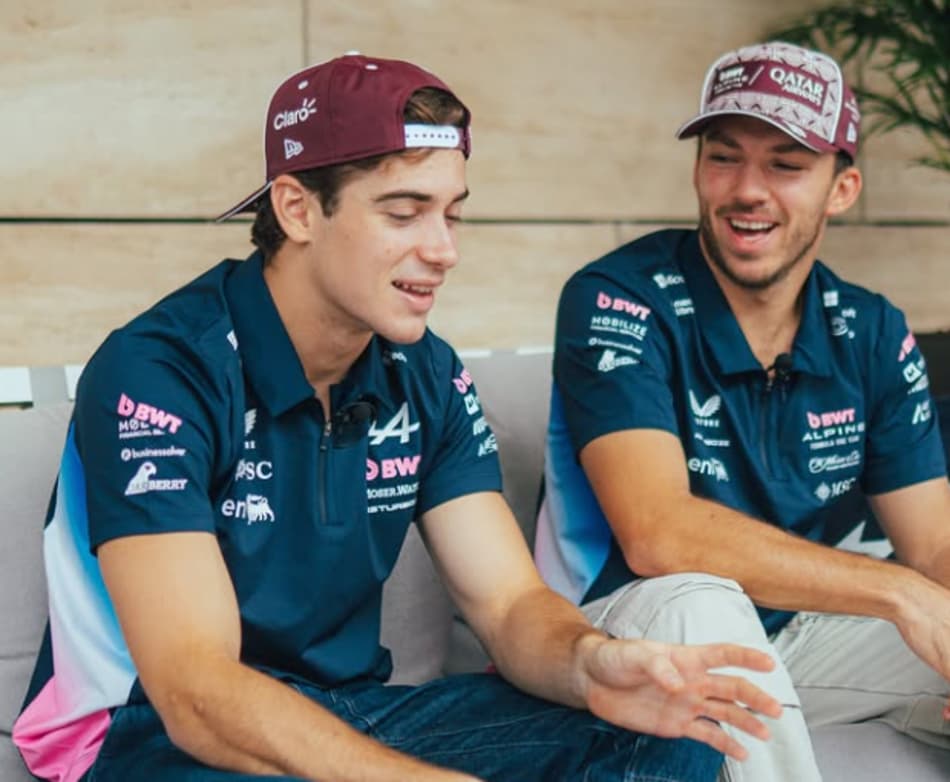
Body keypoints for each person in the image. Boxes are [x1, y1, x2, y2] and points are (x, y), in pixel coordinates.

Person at [12, 53, 781, 782]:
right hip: (145, 733)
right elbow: (195, 690)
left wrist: (589, 662)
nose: (443, 249)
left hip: (354, 710)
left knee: (667, 740)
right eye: (405, 213)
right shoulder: (161, 369)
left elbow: (509, 605)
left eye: (452, 213)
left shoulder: (426, 372)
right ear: (297, 208)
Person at [536, 39, 950, 781]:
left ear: (842, 188)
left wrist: (928, 601)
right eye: (723, 157)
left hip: (796, 640)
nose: (747, 190)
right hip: (620, 635)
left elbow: (936, 545)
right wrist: (898, 591)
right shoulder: (618, 297)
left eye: (785, 166)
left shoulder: (871, 328)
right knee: (707, 605)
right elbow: (657, 535)